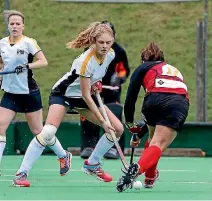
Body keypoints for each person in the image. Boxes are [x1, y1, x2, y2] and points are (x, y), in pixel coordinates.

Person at [13, 21, 124, 186]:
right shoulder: (85, 61)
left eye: (108, 42)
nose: (105, 46)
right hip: (63, 94)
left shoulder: (112, 54)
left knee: (117, 129)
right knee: (48, 132)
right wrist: (102, 121)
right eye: (101, 42)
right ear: (94, 41)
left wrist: (97, 82)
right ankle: (21, 175)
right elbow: (87, 95)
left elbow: (96, 77)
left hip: (82, 97)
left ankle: (92, 164)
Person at [0, 10, 71, 185]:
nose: (15, 26)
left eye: (18, 23)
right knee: (0, 127)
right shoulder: (1, 43)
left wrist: (27, 65)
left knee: (39, 132)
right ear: (8, 26)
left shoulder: (29, 43)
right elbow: (1, 63)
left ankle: (63, 155)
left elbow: (43, 61)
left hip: (28, 93)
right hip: (10, 92)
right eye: (12, 23)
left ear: (23, 26)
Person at [116, 42, 189, 192]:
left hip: (153, 101)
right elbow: (169, 93)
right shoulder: (173, 70)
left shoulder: (143, 67)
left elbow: (130, 99)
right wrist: (137, 133)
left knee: (153, 139)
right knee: (158, 143)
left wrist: (131, 126)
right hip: (178, 102)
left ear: (144, 60)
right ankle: (142, 171)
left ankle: (149, 176)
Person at [80, 20, 130, 159]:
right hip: (92, 86)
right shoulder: (89, 51)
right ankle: (88, 145)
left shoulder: (118, 52)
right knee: (89, 113)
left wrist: (119, 77)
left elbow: (123, 71)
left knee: (113, 115)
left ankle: (114, 147)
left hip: (111, 88)